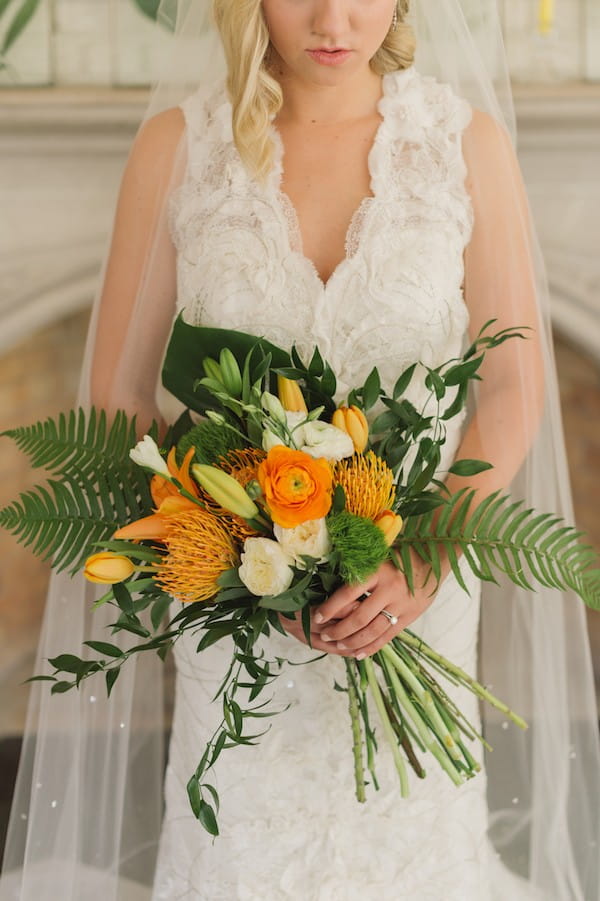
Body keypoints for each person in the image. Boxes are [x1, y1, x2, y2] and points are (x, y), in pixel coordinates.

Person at [1, 1, 599, 899]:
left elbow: (513, 387)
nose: (332, 17)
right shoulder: (178, 148)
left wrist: (429, 553)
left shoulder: (462, 146)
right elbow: (118, 394)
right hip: (240, 609)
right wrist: (233, 555)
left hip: (414, 582)